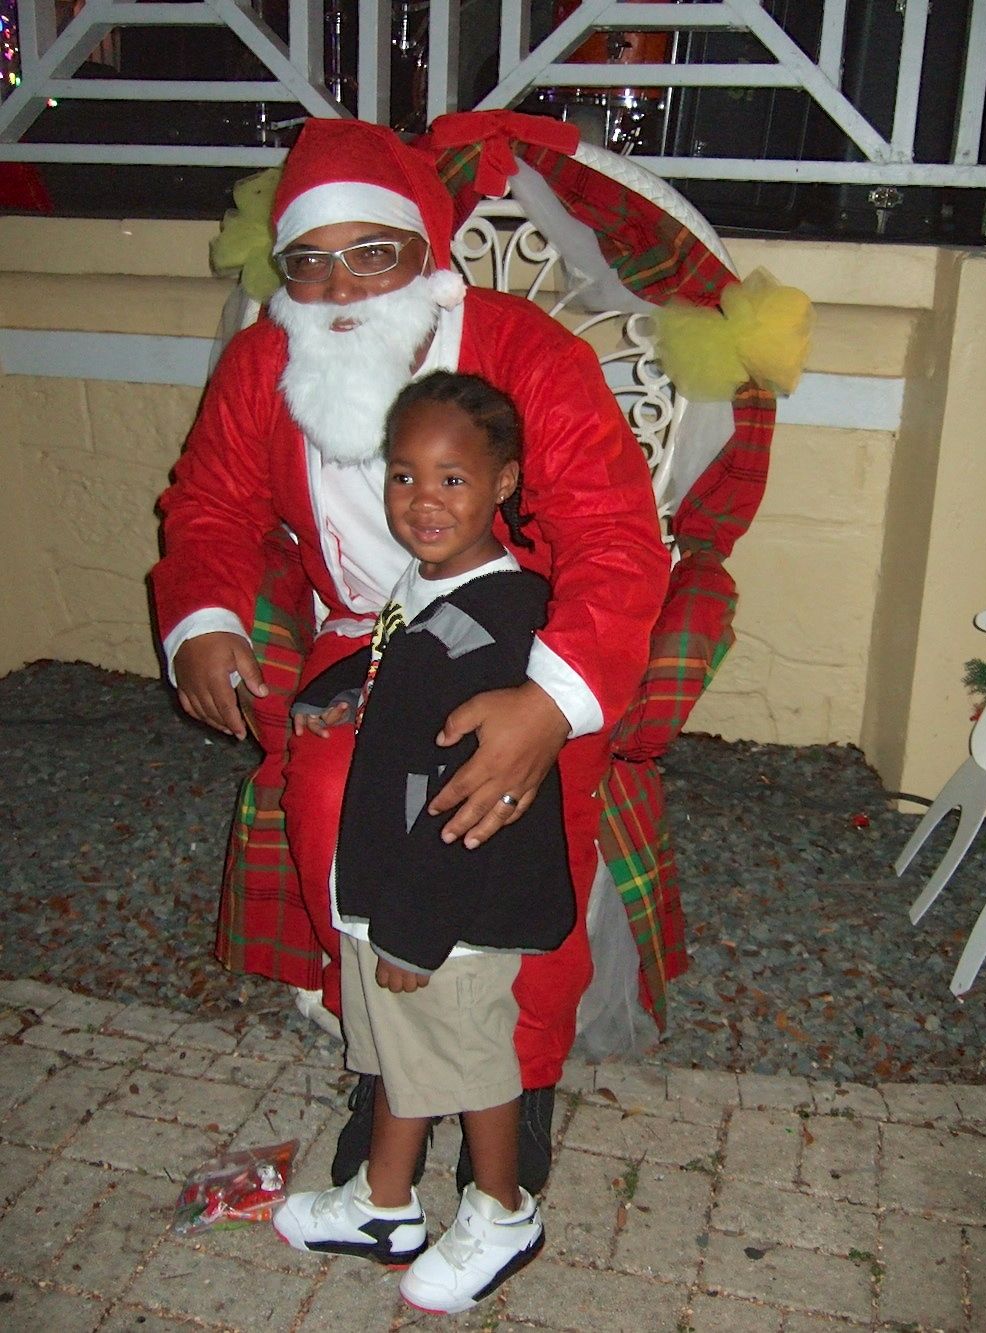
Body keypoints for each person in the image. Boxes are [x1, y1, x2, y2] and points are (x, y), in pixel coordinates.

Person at [150, 115, 669, 1197]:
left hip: (509, 635)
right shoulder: (265, 361)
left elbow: (618, 539)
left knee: (516, 825)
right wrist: (203, 617)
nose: (339, 288)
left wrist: (546, 703)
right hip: (361, 637)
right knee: (336, 794)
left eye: (370, 254)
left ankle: (514, 1076)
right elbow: (211, 504)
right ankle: (390, 1064)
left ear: (422, 254)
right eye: (311, 262)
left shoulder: (523, 351)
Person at [274, 371, 572, 1312]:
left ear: (504, 483)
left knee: (468, 1060)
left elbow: (476, 799)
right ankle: (383, 1203)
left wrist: (414, 925)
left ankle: (503, 1207)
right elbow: (400, 666)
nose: (424, 501)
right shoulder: (431, 581)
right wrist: (346, 694)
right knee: (400, 1052)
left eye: (452, 479)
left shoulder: (503, 617)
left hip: (451, 904)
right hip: (393, 880)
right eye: (405, 477)